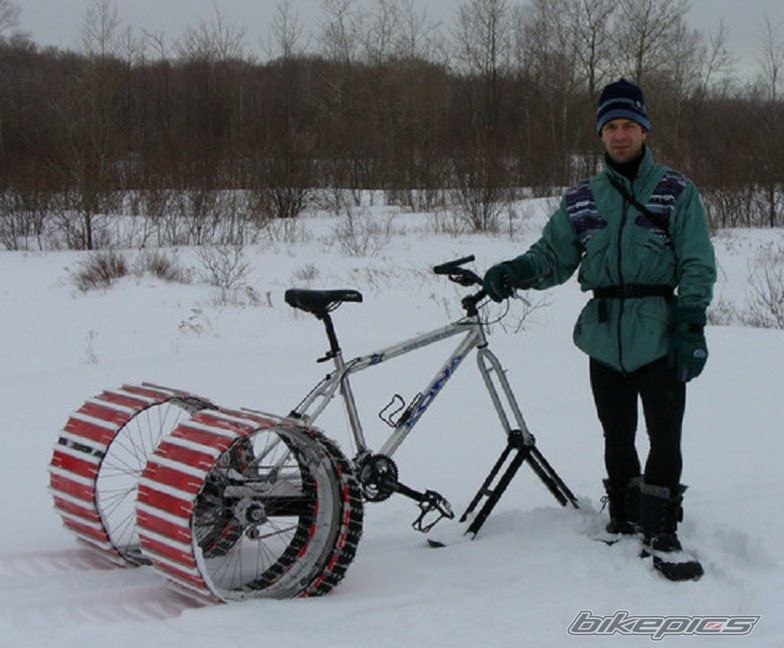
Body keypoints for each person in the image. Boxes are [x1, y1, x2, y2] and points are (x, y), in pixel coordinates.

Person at [482, 79, 716, 572]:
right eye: (611, 126)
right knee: (616, 434)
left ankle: (661, 529)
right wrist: (515, 272)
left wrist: (691, 324)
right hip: (603, 334)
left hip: (659, 332)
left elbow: (696, 261)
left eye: (629, 125)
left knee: (665, 436)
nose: (620, 135)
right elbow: (554, 256)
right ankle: (626, 520)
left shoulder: (676, 191)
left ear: (644, 130)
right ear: (601, 134)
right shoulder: (582, 199)